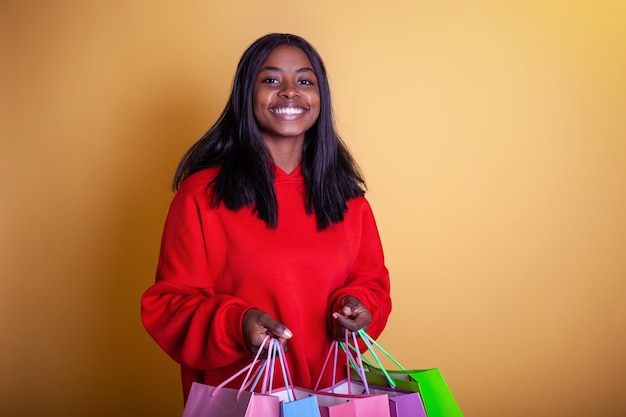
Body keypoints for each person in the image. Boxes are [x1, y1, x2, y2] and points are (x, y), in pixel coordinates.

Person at [141, 33, 392, 402]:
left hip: (333, 399)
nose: (290, 92)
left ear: (320, 97)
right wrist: (236, 323)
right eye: (272, 80)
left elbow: (372, 284)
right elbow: (169, 305)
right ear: (247, 94)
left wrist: (357, 307)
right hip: (245, 400)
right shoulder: (202, 194)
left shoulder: (349, 200)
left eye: (305, 81)